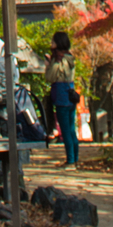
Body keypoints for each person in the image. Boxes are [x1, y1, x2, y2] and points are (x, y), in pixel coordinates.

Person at [45, 28, 79, 167]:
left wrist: (50, 64)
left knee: (65, 130)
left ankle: (70, 161)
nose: (51, 43)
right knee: (71, 130)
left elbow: (50, 77)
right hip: (71, 95)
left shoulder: (59, 60)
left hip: (61, 96)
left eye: (53, 41)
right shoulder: (71, 58)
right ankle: (74, 159)